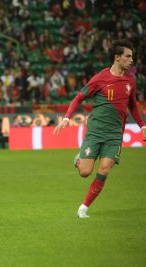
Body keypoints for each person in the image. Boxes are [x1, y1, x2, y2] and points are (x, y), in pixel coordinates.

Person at [53, 40, 146, 218]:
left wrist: (143, 126)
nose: (131, 60)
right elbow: (79, 98)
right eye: (128, 56)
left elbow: (133, 106)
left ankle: (83, 208)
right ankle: (80, 159)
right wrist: (66, 119)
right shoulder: (100, 78)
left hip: (115, 134)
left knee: (104, 169)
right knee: (85, 172)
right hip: (95, 131)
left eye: (132, 57)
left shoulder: (130, 81)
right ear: (117, 57)